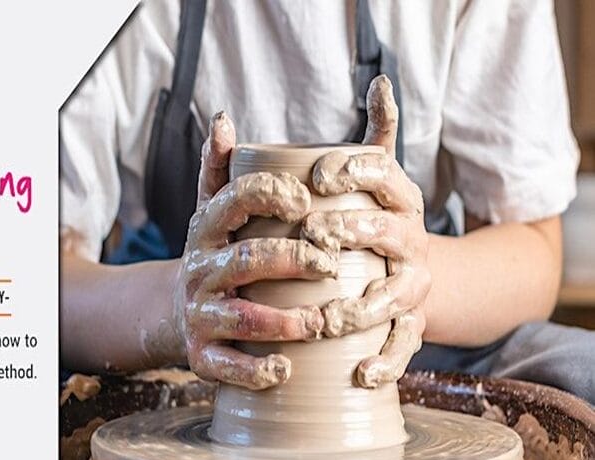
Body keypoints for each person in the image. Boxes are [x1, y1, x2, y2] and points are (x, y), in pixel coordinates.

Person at [60, 0, 595, 401]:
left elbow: (534, 246)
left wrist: (411, 284)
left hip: (407, 336)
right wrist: (178, 306)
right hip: (181, 335)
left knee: (582, 373)